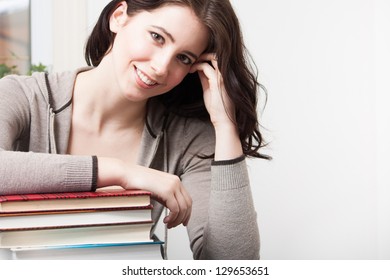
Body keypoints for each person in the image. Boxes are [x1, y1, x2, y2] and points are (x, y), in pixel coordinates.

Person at [0, 0, 269, 259]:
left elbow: (233, 264)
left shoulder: (187, 139)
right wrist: (120, 172)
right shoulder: (21, 96)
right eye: (157, 37)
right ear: (118, 17)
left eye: (184, 58)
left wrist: (225, 126)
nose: (161, 67)